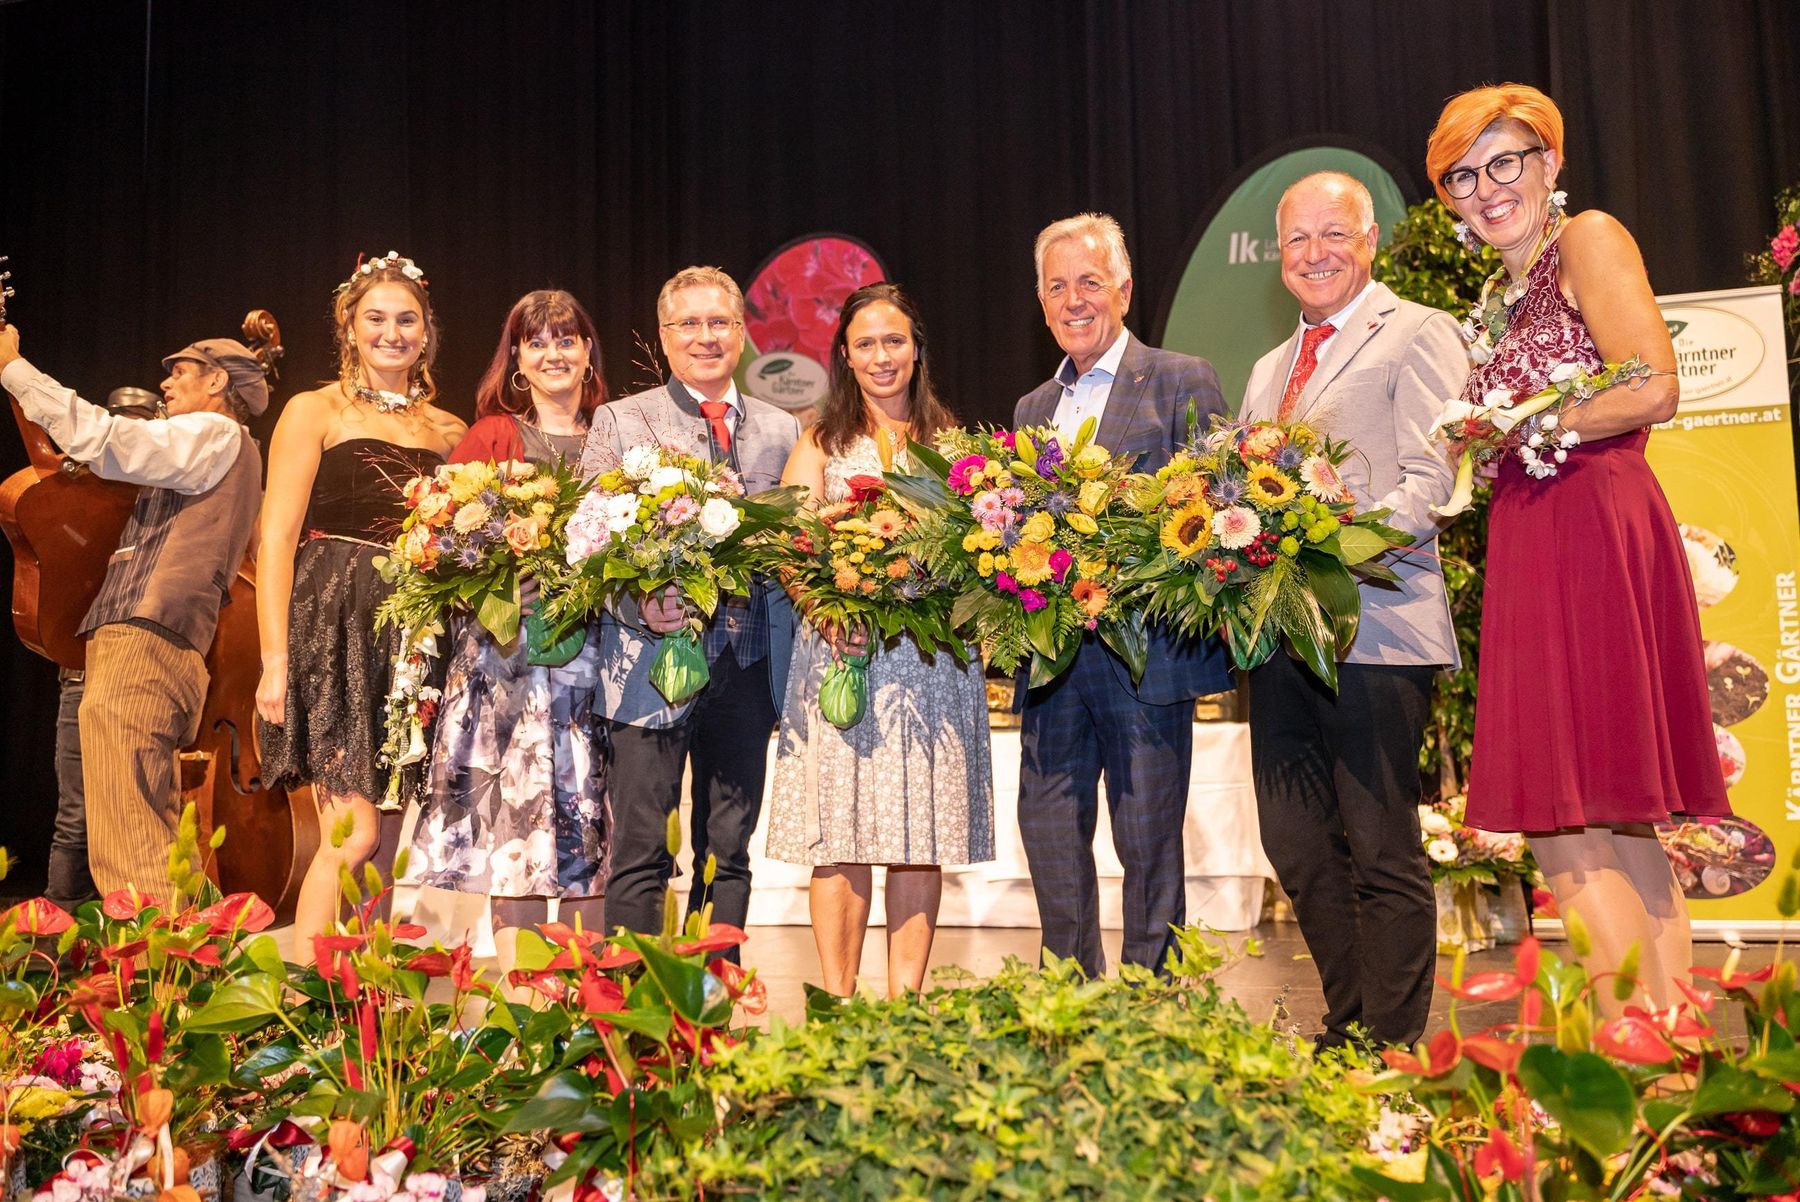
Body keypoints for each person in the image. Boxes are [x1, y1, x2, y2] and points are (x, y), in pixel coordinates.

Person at [1427, 84, 1730, 1013]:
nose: (1486, 189)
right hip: (1531, 531)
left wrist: (1515, 423)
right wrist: (1487, 441)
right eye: (1463, 177)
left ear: (1551, 164)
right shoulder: (1495, 295)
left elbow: (1652, 389)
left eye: (1504, 162)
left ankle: (1631, 1058)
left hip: (1594, 525)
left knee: (1576, 817)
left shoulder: (1588, 238)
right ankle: (1665, 1064)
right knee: (1599, 810)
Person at [1240, 172, 1469, 1051]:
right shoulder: (1267, 370)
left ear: (1370, 240)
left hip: (1378, 625)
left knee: (1381, 846)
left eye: (1333, 234)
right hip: (1281, 636)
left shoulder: (1416, 332)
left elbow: (1435, 483)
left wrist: (1333, 541)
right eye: (1298, 240)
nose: (1315, 253)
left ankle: (1394, 1042)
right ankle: (1352, 1018)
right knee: (1295, 842)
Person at [1013, 213, 1234, 977]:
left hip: (1146, 663)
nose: (1074, 300)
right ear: (1040, 302)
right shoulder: (1032, 410)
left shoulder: (1182, 378)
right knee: (1047, 833)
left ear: (1124, 289)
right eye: (1056, 286)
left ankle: (1154, 1011)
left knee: (1147, 851)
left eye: (1090, 282)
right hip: (1051, 663)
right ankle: (1068, 1006)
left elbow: (1217, 514)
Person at [765, 283, 995, 997]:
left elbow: (977, 549)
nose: (881, 356)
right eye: (864, 343)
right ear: (845, 355)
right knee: (839, 838)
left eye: (894, 340)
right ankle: (837, 1004)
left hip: (930, 660)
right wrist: (828, 608)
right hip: (844, 652)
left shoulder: (950, 442)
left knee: (915, 836)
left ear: (917, 349)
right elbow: (788, 544)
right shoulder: (821, 440)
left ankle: (906, 1008)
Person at [581, 266, 801, 956]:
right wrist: (637, 599)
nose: (705, 338)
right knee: (641, 850)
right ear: (665, 337)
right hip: (647, 668)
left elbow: (798, 544)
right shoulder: (623, 419)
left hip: (748, 665)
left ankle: (712, 1014)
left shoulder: (782, 427)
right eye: (689, 325)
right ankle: (628, 1029)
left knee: (727, 851)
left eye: (720, 323)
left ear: (742, 334)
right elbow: (584, 543)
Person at [0, 328, 267, 896]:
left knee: (130, 835)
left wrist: (12, 367)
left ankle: (158, 972)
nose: (165, 383)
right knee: (151, 825)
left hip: (146, 636)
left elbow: (100, 435)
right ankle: (197, 961)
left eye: (182, 372)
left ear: (218, 382)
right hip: (165, 641)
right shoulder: (232, 454)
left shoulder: (211, 432)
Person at [256, 252, 465, 963]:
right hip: (332, 622)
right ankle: (311, 996)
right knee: (352, 832)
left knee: (387, 836)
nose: (392, 332)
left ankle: (364, 1000)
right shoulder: (314, 409)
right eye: (376, 317)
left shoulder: (449, 431)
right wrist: (273, 660)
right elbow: (276, 535)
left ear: (426, 332)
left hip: (414, 632)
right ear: (349, 326)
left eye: (407, 319)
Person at [407, 290, 610, 962]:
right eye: (537, 340)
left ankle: (587, 1001)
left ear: (587, 353)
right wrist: (495, 585)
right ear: (517, 359)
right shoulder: (492, 435)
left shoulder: (617, 439)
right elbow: (439, 541)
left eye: (567, 338)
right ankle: (519, 1002)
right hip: (504, 663)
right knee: (511, 834)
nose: (553, 352)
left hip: (593, 666)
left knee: (589, 826)